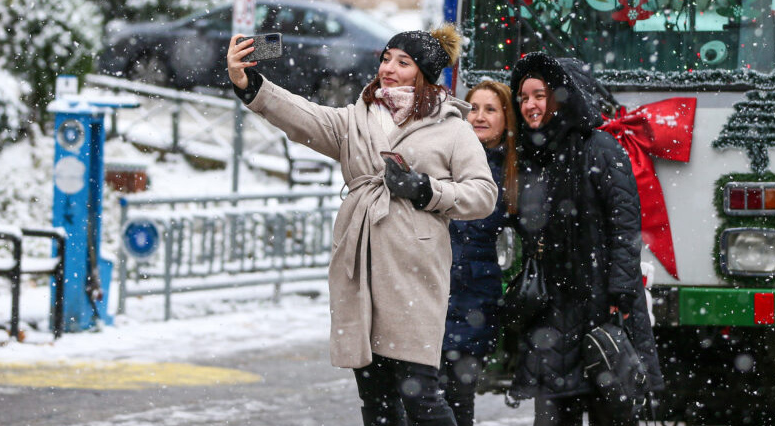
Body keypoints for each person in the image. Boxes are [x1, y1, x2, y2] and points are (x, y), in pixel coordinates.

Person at [226, 24, 498, 426]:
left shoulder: (452, 128)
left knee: (421, 395)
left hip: (414, 274)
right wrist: (249, 83)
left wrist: (425, 189)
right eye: (386, 58)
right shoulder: (356, 118)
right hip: (361, 269)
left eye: (403, 62)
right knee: (377, 402)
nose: (389, 68)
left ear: (423, 74)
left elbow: (483, 194)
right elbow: (304, 117)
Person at [506, 53, 663, 426]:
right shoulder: (528, 153)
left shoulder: (602, 148)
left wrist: (619, 295)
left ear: (562, 97)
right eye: (523, 97)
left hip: (600, 306)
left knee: (611, 409)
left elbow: (625, 230)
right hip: (551, 313)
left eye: (539, 95)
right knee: (554, 413)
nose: (530, 105)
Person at [439, 80, 518, 426]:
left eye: (491, 109)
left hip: (474, 300)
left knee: (457, 395)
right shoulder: (444, 157)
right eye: (473, 108)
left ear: (505, 119)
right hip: (433, 292)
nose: (480, 117)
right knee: (425, 396)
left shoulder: (513, 171)